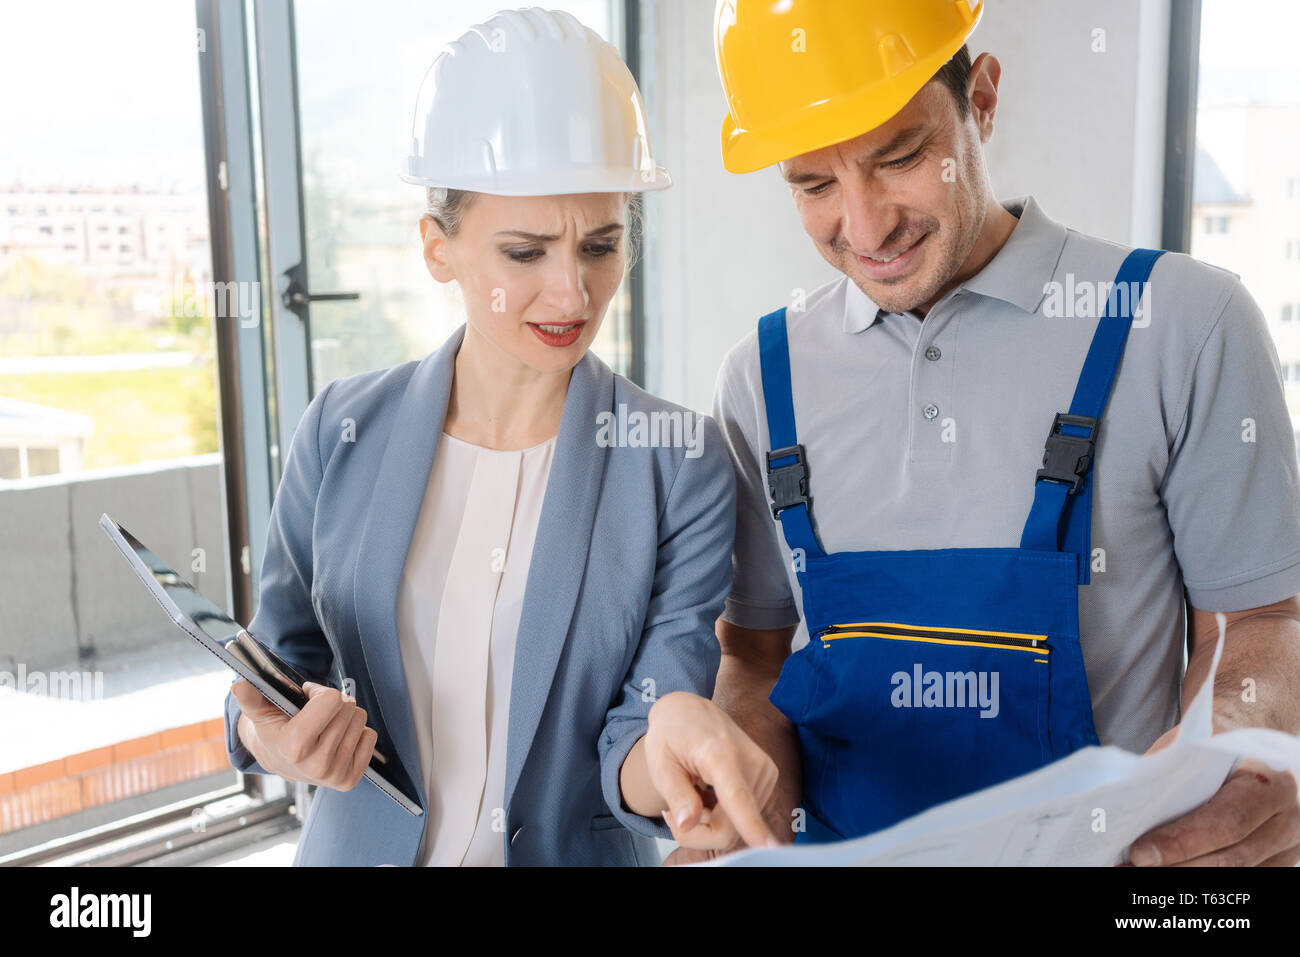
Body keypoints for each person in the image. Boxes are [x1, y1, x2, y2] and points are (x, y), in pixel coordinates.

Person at [694, 0, 1300, 865]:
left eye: (900, 158)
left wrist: (1236, 749)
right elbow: (752, 655)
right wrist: (749, 801)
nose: (867, 230)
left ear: (981, 99)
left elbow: (1261, 620)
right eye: (815, 184)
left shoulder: (1184, 323)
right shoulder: (761, 377)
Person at [222, 6, 777, 867]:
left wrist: (671, 744)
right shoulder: (340, 432)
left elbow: (641, 727)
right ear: (438, 250)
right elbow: (270, 669)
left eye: (601, 244)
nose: (572, 292)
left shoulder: (679, 460)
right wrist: (272, 738)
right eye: (525, 253)